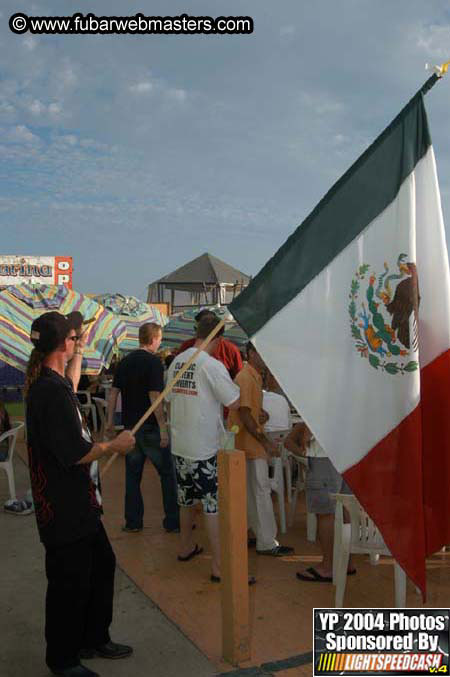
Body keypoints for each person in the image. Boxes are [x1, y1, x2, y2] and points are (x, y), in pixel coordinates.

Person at [25, 311, 135, 677]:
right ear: (62, 344)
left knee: (101, 567)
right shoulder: (48, 393)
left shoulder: (53, 383)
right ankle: (63, 659)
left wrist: (78, 352)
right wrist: (113, 445)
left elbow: (71, 385)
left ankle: (92, 637)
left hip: (78, 504)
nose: (78, 343)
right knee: (68, 583)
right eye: (74, 339)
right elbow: (76, 452)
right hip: (63, 507)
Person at [165, 315, 242, 581]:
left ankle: (185, 546)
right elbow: (233, 401)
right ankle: (220, 566)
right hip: (203, 448)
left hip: (180, 444)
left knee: (185, 501)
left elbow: (169, 399)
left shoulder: (176, 361)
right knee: (212, 506)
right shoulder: (211, 365)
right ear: (218, 339)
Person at [107, 322, 179, 533]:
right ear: (154, 339)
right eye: (160, 338)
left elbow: (113, 393)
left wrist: (110, 422)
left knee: (132, 476)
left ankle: (133, 521)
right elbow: (154, 396)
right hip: (149, 428)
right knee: (166, 474)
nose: (160, 342)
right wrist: (163, 428)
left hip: (130, 429)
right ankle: (173, 521)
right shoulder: (154, 363)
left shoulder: (125, 362)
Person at [228, 343, 294, 556]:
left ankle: (257, 535)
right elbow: (246, 415)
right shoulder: (247, 377)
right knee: (261, 491)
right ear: (251, 354)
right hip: (250, 444)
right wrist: (265, 441)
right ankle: (266, 542)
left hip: (246, 443)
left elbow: (248, 410)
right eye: (261, 352)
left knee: (253, 492)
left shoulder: (251, 376)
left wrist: (261, 412)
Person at [284, 422, 355, 582]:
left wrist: (308, 431)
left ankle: (328, 566)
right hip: (347, 449)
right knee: (345, 508)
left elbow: (317, 404)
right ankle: (347, 562)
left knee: (325, 513)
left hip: (324, 452)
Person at [175, 309, 243, 379]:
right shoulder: (186, 347)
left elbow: (240, 378)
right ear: (196, 329)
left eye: (209, 328)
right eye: (202, 328)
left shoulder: (230, 349)